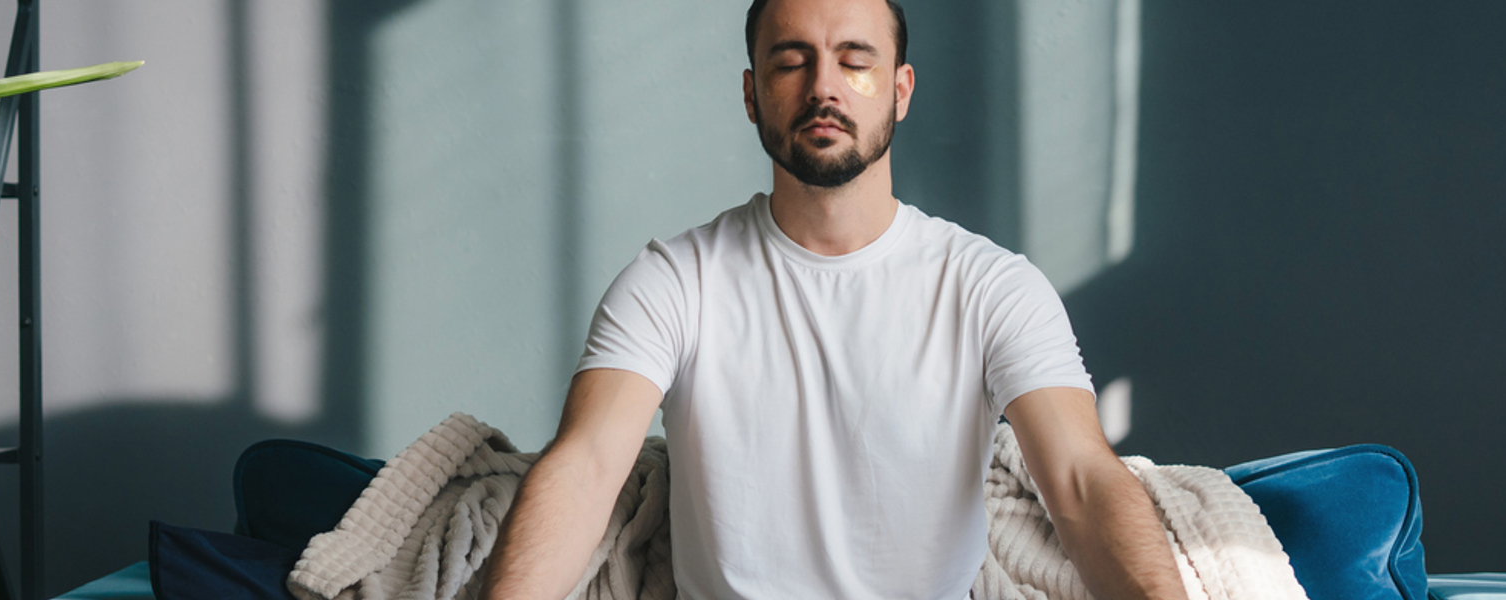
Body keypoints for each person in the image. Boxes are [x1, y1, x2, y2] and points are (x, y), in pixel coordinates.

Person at [480, 0, 1187, 598]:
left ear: (901, 90)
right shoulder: (675, 279)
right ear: (753, 93)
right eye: (792, 61)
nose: (825, 86)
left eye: (855, 60)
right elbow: (586, 465)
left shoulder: (989, 285)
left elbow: (1081, 481)